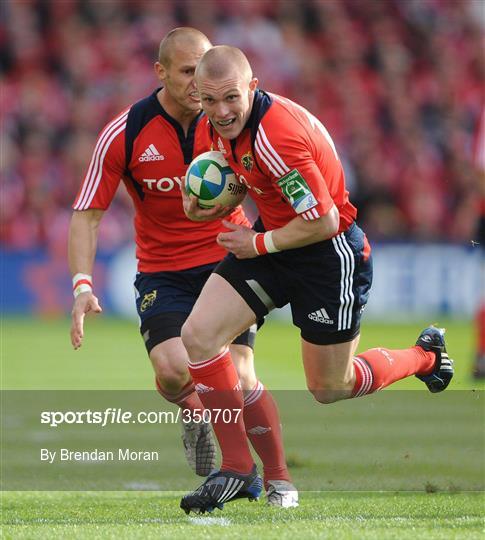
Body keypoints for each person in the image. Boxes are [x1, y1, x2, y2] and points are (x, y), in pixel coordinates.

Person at [179, 45, 455, 514]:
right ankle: (243, 469)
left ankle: (425, 356)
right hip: (274, 240)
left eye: (230, 98)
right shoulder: (212, 128)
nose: (221, 112)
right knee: (199, 336)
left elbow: (324, 220)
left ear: (252, 86)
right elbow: (239, 185)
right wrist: (205, 205)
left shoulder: (277, 136)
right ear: (198, 97)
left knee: (331, 387)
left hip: (328, 254)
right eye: (209, 100)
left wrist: (258, 245)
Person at [68, 29, 297, 508]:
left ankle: (275, 479)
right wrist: (81, 285)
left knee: (239, 371)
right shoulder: (126, 131)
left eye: (206, 70)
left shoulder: (231, 120)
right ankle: (196, 414)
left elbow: (278, 179)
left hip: (227, 257)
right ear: (162, 72)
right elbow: (88, 212)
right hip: (163, 270)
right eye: (188, 72)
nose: (200, 84)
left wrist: (266, 242)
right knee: (173, 371)